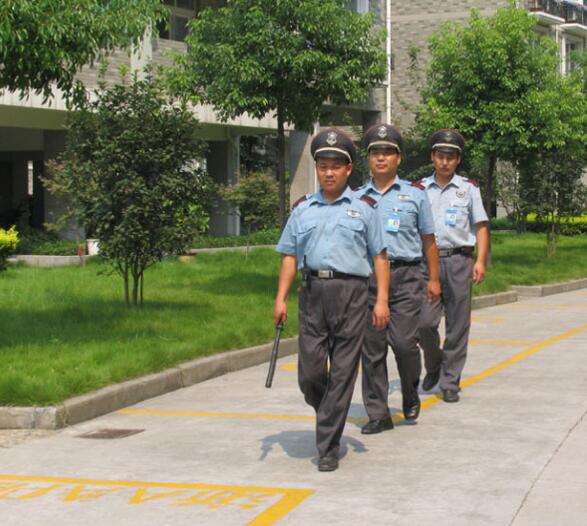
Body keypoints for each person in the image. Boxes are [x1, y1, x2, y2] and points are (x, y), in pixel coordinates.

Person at [273, 128, 390, 472]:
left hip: (352, 294)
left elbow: (380, 257)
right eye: (323, 166)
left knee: (342, 370)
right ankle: (329, 409)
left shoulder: (364, 209)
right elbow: (289, 256)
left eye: (335, 166)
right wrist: (280, 299)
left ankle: (327, 447)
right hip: (313, 293)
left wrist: (381, 300)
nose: (328, 172)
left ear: (348, 169)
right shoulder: (303, 209)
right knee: (310, 374)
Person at [356, 124, 440, 435]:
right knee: (372, 349)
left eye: (387, 152)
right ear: (368, 158)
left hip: (406, 277)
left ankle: (409, 391)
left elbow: (428, 239)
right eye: (375, 153)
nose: (381, 158)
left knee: (404, 344)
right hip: (368, 279)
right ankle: (378, 414)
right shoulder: (356, 198)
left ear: (398, 158)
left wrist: (433, 279)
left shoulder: (415, 195)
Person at [418, 129, 490, 403]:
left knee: (458, 324)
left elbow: (480, 226)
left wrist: (480, 260)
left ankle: (450, 381)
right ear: (432, 157)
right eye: (440, 156)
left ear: (458, 159)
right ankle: (434, 363)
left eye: (451, 157)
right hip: (427, 263)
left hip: (459, 260)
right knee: (424, 323)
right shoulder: (419, 189)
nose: (445, 161)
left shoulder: (468, 189)